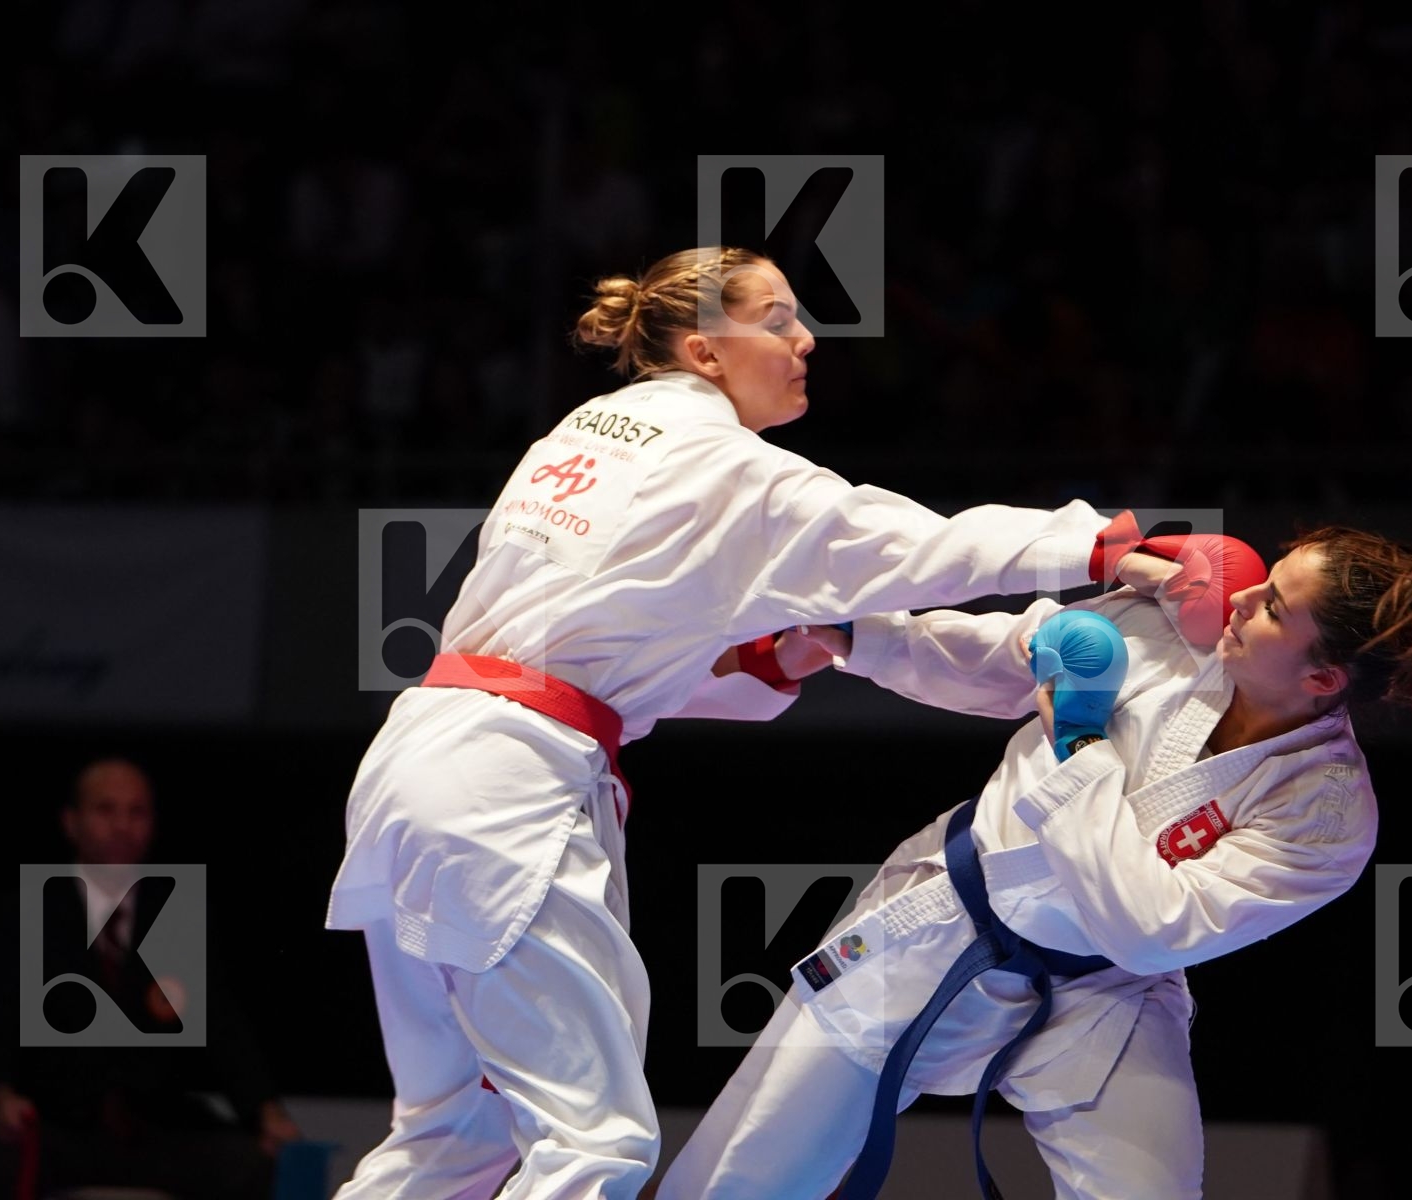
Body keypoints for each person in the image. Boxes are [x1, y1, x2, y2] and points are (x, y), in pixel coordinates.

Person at [324, 245, 1140, 1199]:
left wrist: (759, 660)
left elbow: (589, 642)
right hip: (504, 782)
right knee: (597, 1144)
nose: (807, 338)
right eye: (778, 317)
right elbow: (912, 544)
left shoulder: (585, 430)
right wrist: (1103, 543)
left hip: (422, 759)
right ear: (707, 352)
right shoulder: (726, 463)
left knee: (453, 1132)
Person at [657, 522, 1412, 1199]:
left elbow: (1150, 929)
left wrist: (1081, 745)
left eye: (1275, 606)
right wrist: (853, 635)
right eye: (1264, 578)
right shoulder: (1173, 632)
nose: (1238, 598)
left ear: (1323, 681)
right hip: (940, 922)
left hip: (1104, 994)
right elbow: (1004, 658)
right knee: (742, 1179)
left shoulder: (1326, 817)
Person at [0, 757, 302, 1200]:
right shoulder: (30, 909)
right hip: (58, 1125)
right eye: (106, 810)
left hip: (158, 1127)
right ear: (72, 822)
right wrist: (1, 1095)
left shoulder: (176, 913)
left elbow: (222, 1025)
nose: (122, 825)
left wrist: (265, 1109)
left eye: (136, 812)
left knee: (250, 1164)